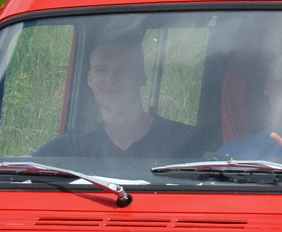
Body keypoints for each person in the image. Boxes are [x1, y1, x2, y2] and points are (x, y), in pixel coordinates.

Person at [36, 39, 200, 160]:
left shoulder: (187, 142)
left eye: (124, 69)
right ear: (90, 80)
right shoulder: (74, 145)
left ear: (141, 77)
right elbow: (26, 167)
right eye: (102, 70)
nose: (111, 79)